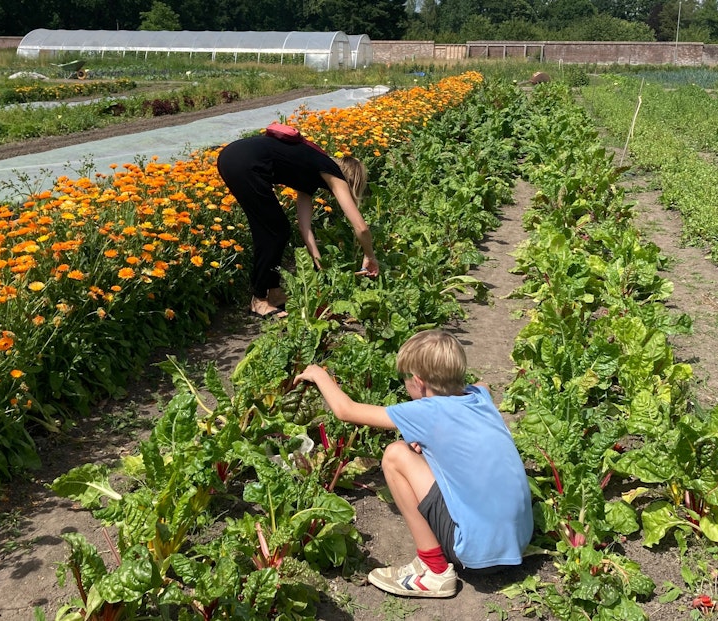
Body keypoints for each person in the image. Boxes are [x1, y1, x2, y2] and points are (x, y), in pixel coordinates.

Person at [293, 329, 533, 598]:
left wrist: (318, 374)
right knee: (421, 454)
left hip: (478, 556)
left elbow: (346, 410)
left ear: (418, 382)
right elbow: (484, 385)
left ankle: (435, 572)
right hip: (518, 543)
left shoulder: (427, 411)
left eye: (405, 379)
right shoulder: (479, 396)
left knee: (395, 455)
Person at [216, 130, 379, 319]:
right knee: (274, 231)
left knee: (275, 229)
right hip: (243, 163)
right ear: (351, 180)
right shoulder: (334, 175)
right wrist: (370, 256)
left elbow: (304, 227)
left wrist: (320, 264)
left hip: (234, 156)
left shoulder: (311, 170)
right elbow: (362, 227)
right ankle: (258, 300)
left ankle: (274, 293)